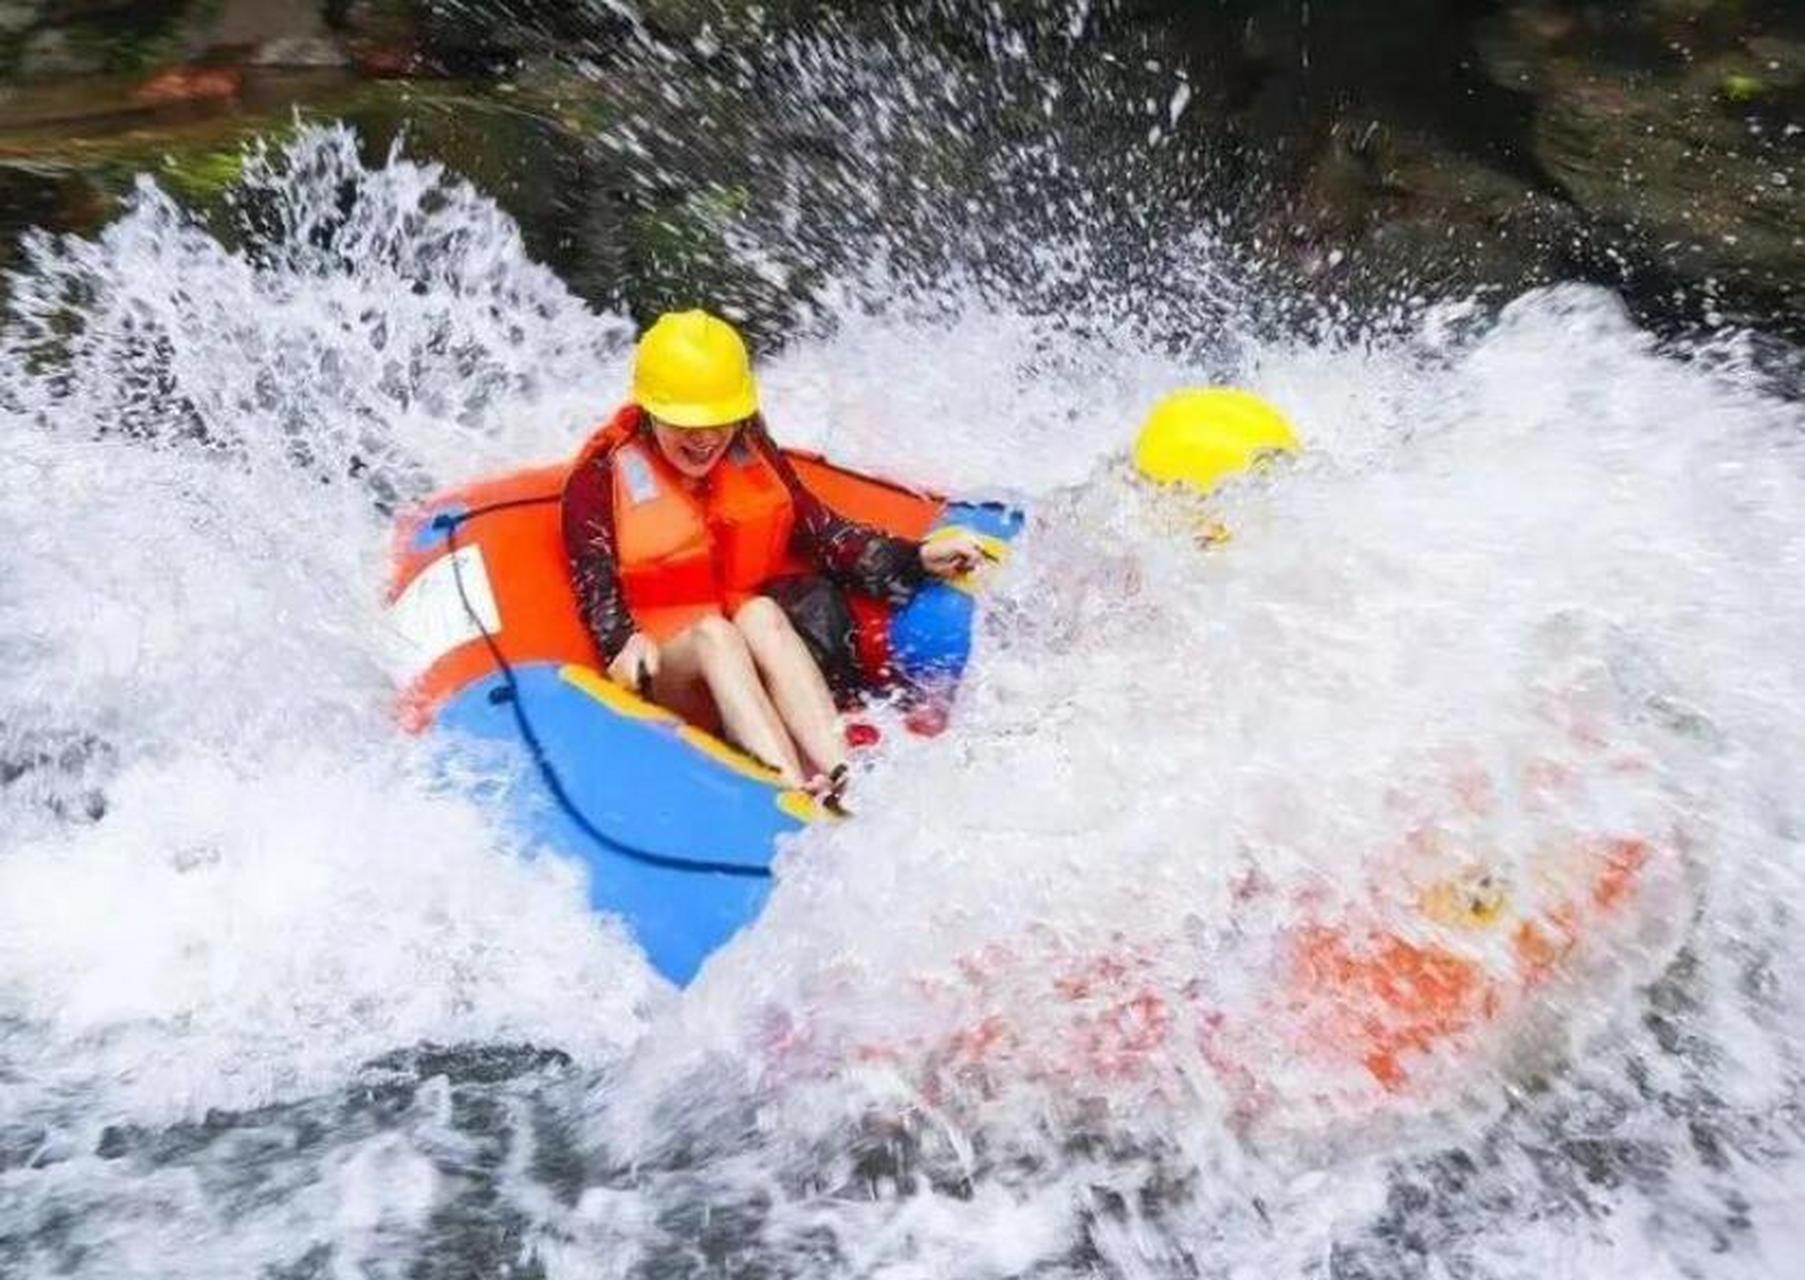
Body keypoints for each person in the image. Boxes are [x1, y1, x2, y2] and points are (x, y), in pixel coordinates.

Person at [562, 309, 987, 793]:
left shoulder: (750, 447)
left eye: (719, 419)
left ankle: (844, 776)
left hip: (749, 664)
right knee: (715, 635)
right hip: (674, 670)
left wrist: (914, 557)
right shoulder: (599, 479)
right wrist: (621, 643)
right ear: (651, 410)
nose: (705, 438)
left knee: (760, 612)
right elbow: (597, 592)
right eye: (686, 423)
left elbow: (825, 533)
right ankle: (787, 790)